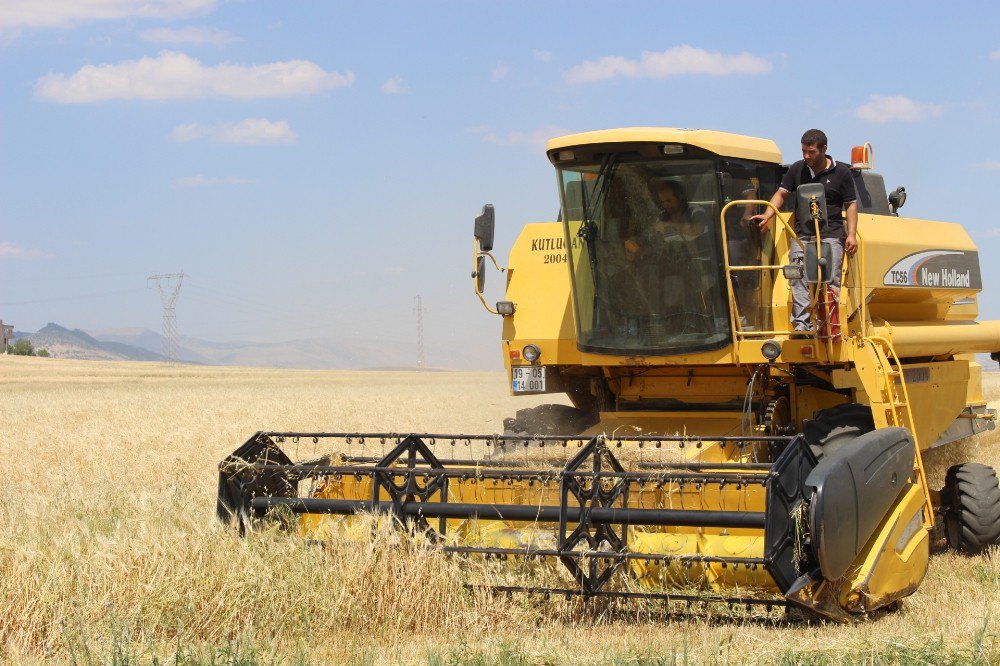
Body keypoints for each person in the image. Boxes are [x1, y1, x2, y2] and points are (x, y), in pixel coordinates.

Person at [752, 129, 858, 333]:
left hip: (832, 235)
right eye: (803, 152)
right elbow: (781, 194)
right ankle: (802, 324)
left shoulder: (842, 173)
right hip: (802, 235)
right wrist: (768, 214)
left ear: (824, 149)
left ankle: (829, 325)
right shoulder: (797, 169)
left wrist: (851, 234)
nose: (806, 156)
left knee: (829, 278)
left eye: (811, 152)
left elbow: (851, 204)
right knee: (797, 274)